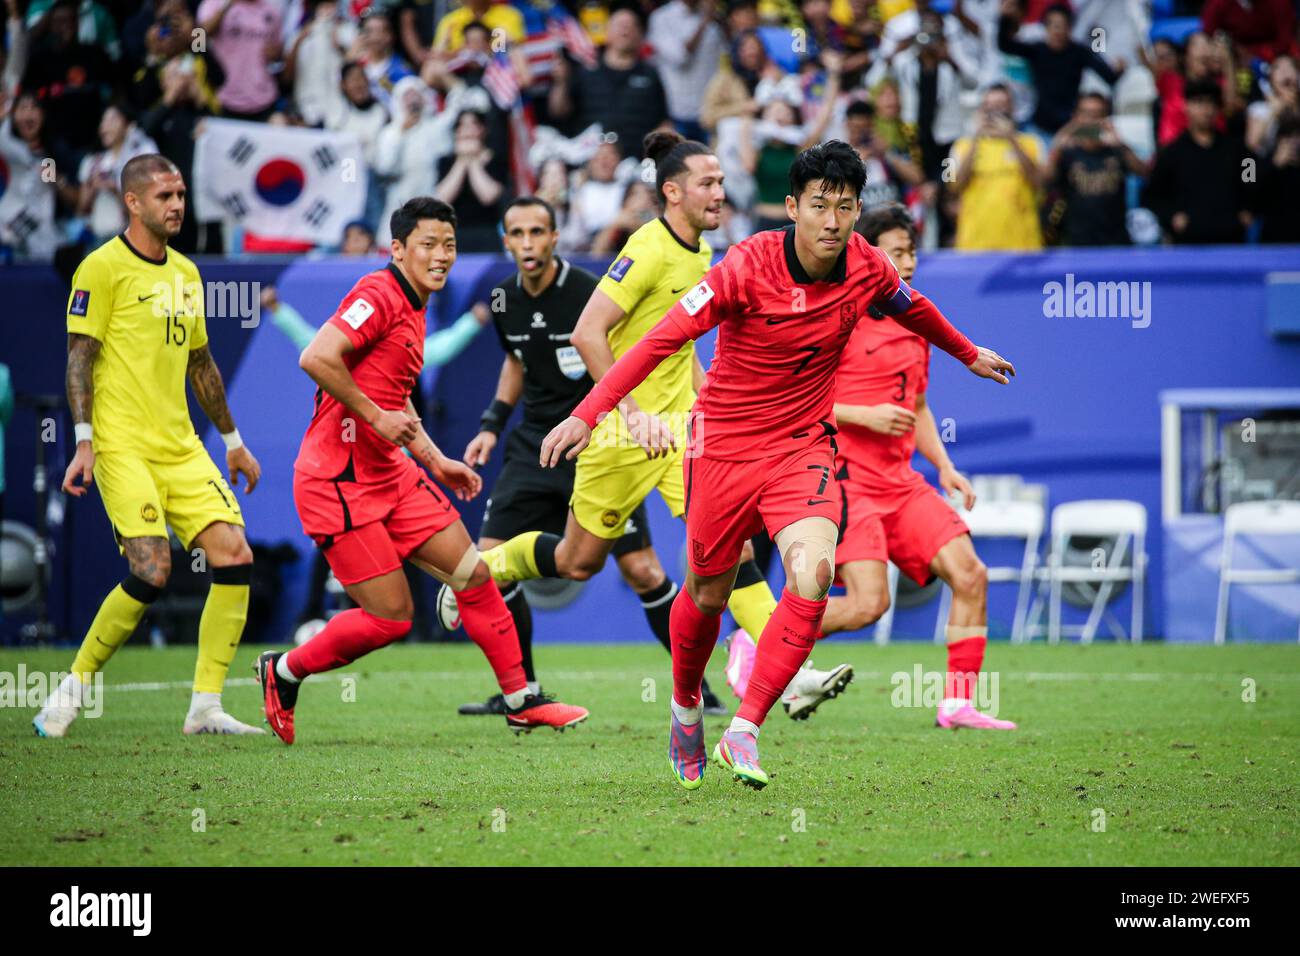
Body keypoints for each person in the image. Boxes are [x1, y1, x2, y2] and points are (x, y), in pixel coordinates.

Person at [540, 141, 1015, 789]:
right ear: (792, 207)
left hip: (803, 448)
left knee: (814, 574)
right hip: (723, 449)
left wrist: (967, 353)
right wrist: (589, 412)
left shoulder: (866, 266)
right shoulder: (744, 267)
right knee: (707, 595)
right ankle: (684, 708)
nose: (832, 221)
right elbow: (660, 340)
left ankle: (745, 728)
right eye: (819, 205)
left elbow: (913, 307)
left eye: (845, 208)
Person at [444, 132, 784, 717]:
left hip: (673, 432)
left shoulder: (700, 254)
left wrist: (715, 410)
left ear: (555, 237)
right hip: (594, 436)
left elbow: (677, 352)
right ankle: (487, 593)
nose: (721, 193)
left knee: (722, 547)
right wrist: (503, 423)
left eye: (722, 182)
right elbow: (555, 348)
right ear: (673, 192)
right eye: (710, 183)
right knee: (578, 562)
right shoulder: (638, 253)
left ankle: (783, 671)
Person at [255, 197, 589, 744]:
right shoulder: (377, 293)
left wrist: (436, 461)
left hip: (390, 472)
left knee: (475, 576)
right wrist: (371, 417)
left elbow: (397, 398)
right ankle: (284, 671)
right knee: (391, 619)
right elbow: (316, 356)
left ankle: (522, 700)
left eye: (449, 245)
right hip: (337, 479)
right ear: (398, 249)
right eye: (428, 245)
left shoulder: (416, 303)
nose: (441, 256)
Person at [728, 202, 1016, 729]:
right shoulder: (838, 313)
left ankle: (956, 703)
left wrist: (945, 466)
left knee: (971, 574)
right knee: (867, 605)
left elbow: (918, 407)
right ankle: (755, 637)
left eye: (911, 252)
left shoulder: (916, 323)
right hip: (841, 482)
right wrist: (863, 414)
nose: (906, 262)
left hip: (901, 484)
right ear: (867, 251)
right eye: (896, 251)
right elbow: (792, 394)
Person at [36, 154, 263, 738]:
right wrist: (83, 442)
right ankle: (70, 691)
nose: (178, 204)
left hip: (180, 446)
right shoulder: (101, 268)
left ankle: (205, 707)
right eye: (165, 195)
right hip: (122, 446)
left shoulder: (187, 273)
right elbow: (79, 359)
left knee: (234, 554)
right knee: (152, 568)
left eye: (182, 193)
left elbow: (201, 363)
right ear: (132, 202)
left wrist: (234, 442)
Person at [451, 196, 665, 715]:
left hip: (595, 444)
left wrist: (630, 417)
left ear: (554, 237)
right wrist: (490, 427)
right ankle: (519, 690)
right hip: (532, 448)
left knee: (641, 569)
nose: (528, 243)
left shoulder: (588, 294)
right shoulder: (502, 300)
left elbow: (616, 359)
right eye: (517, 233)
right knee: (487, 568)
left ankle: (695, 686)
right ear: (506, 240)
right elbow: (516, 362)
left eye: (538, 232)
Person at [1143, 80, 1256, 245]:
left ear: (1218, 108)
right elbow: (1151, 195)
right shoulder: (1172, 153)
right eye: (1199, 103)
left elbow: (1251, 175)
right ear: (1186, 106)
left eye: (1211, 103)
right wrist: (1172, 216)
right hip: (1188, 244)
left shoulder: (1236, 150)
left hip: (1231, 239)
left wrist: (1248, 209)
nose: (1206, 110)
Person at [996, 0, 1124, 137]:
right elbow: (1006, 46)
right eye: (1053, 25)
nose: (1058, 30)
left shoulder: (1080, 52)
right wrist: (1005, 19)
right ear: (1046, 28)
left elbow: (1109, 76)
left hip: (1070, 127)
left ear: (1069, 28)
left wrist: (1119, 70)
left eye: (1062, 25)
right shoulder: (1037, 50)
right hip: (1040, 125)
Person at [949, 82, 1045, 250]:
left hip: (1022, 246)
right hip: (975, 245)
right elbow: (953, 186)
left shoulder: (1033, 144)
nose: (994, 113)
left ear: (1012, 109)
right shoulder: (960, 146)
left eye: (1000, 106)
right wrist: (976, 138)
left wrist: (1011, 139)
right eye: (988, 107)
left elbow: (1040, 182)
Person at [1044, 92, 1146, 246]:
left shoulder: (1116, 150)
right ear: (1076, 117)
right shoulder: (1067, 153)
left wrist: (1120, 143)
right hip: (1078, 244)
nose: (1091, 120)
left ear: (1105, 118)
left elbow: (1143, 171)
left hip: (1115, 243)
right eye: (1086, 114)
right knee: (1071, 272)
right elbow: (1044, 180)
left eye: (1097, 114)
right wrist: (1059, 142)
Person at [195, 0, 283, 122]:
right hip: (223, 99)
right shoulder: (213, 4)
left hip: (263, 100)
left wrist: (276, 54)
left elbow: (278, 50)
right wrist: (226, 6)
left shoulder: (272, 10)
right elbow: (197, 40)